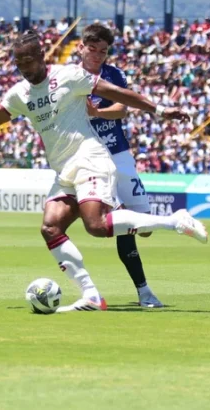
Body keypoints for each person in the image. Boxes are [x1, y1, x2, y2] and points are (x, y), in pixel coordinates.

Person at [0, 30, 208, 313]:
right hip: (64, 171)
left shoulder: (69, 76)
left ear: (42, 56)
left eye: (29, 61)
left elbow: (117, 94)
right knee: (50, 227)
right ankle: (91, 295)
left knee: (96, 225)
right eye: (19, 64)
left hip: (90, 159)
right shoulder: (20, 94)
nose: (25, 69)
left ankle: (174, 221)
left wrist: (160, 110)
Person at [77, 23, 163, 308]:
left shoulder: (114, 75)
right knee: (124, 221)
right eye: (93, 49)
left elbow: (123, 108)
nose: (98, 55)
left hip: (120, 154)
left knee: (146, 225)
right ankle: (144, 292)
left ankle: (144, 288)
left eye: (103, 51)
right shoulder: (68, 77)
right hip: (93, 160)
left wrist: (97, 112)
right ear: (81, 47)